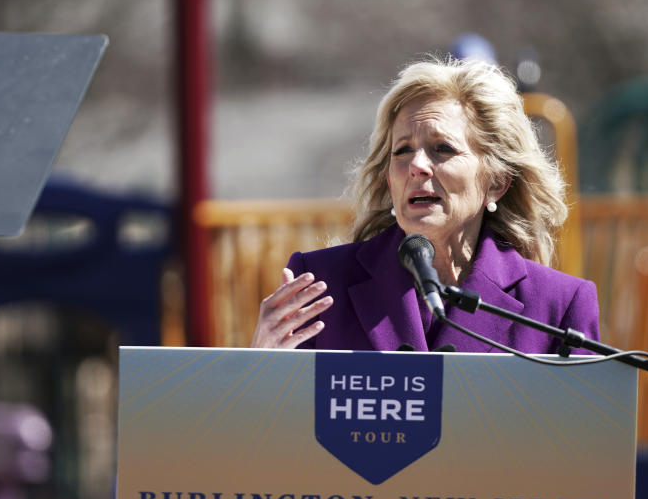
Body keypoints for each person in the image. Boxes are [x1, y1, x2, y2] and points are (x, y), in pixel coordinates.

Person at [250, 56, 599, 353]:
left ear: (496, 183)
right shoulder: (319, 286)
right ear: (389, 178)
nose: (416, 165)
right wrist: (259, 369)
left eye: (442, 149)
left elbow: (585, 431)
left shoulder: (559, 306)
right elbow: (267, 424)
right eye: (401, 150)